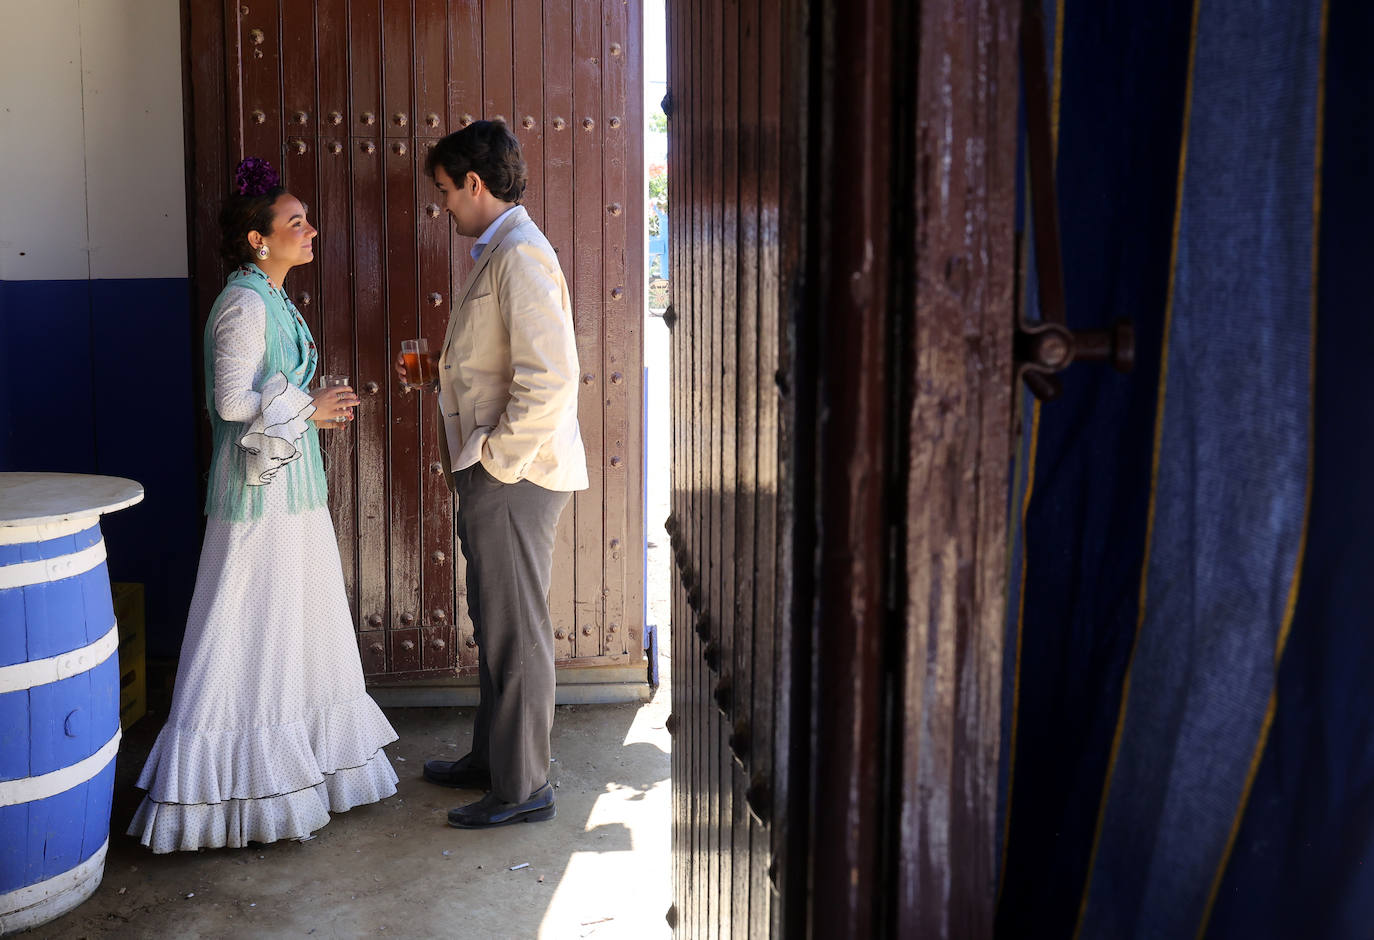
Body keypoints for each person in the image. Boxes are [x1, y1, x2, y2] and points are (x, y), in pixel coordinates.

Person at [128, 158, 398, 852]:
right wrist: (310, 409)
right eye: (295, 222)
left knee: (294, 625)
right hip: (256, 497)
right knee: (246, 625)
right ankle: (226, 795)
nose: (311, 230)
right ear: (257, 239)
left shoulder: (273, 296)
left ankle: (304, 768)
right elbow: (229, 403)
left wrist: (309, 416)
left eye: (306, 219)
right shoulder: (246, 303)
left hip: (289, 487)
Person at [396, 120, 587, 829]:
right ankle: (492, 759)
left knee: (516, 631)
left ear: (475, 184)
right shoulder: (502, 249)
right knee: (496, 622)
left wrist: (498, 463)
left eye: (444, 190)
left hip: (516, 478)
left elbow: (552, 380)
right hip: (497, 472)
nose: (440, 204)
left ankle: (522, 787)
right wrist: (442, 382)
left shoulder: (522, 256)